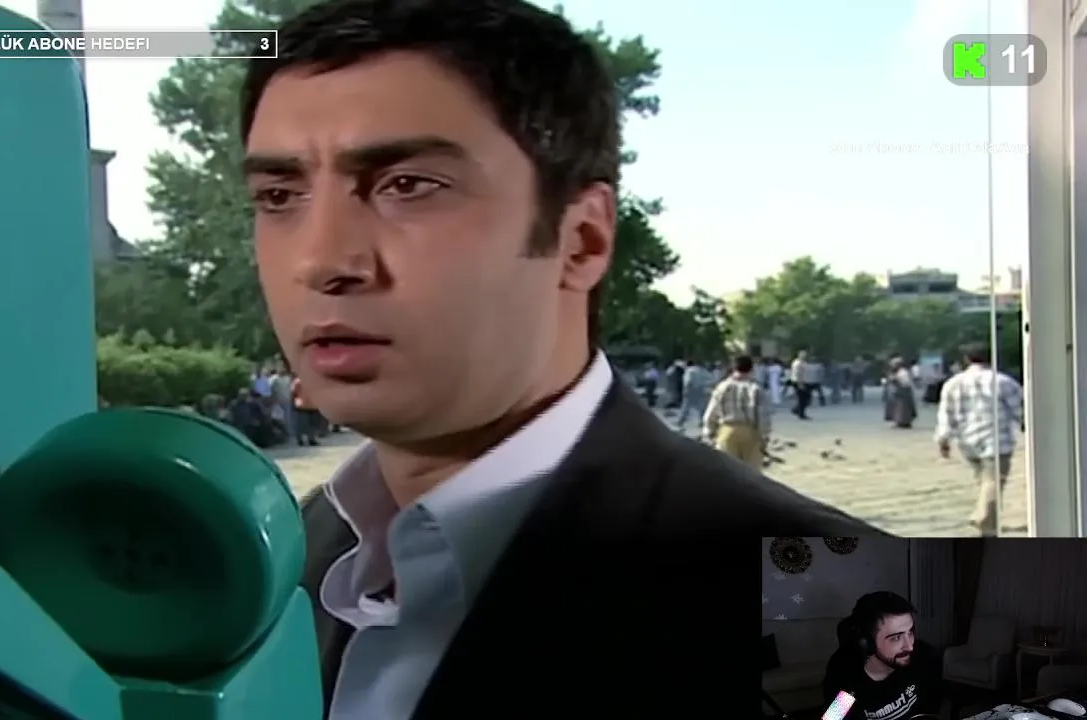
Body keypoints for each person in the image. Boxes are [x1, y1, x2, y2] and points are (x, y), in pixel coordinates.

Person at [241, 0, 881, 715]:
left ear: (581, 240)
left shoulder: (835, 609)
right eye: (279, 195)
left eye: (409, 186)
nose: (322, 260)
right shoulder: (279, 560)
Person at [935, 343, 1024, 535]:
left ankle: (990, 520)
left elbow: (946, 414)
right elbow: (1019, 408)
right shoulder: (1002, 382)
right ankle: (984, 518)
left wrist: (943, 439)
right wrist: (1026, 425)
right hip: (997, 439)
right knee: (994, 481)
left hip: (968, 441)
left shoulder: (953, 384)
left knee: (983, 480)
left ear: (966, 360)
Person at [823, 592, 943, 720]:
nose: (910, 646)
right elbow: (833, 717)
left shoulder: (926, 656)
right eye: (896, 638)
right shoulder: (845, 675)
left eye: (910, 632)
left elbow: (931, 708)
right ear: (867, 642)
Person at [702, 355, 771, 470]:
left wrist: (709, 432)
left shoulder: (722, 387)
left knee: (728, 471)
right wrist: (764, 438)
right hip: (750, 432)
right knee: (751, 473)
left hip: (727, 430)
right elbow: (763, 416)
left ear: (733, 368)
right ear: (751, 369)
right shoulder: (756, 388)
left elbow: (711, 412)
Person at [884, 358, 917, 429]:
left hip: (903, 391)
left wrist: (894, 379)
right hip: (899, 392)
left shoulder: (903, 372)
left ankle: (904, 422)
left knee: (903, 408)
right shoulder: (897, 372)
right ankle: (900, 422)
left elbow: (904, 382)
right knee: (898, 408)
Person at [292, 372, 322, 446]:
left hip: (302, 405)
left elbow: (293, 393)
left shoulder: (297, 381)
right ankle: (311, 439)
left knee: (301, 423)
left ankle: (300, 439)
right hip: (312, 405)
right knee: (311, 424)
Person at [789, 350, 813, 418]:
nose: (805, 356)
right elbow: (799, 374)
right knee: (803, 399)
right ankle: (801, 414)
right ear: (799, 355)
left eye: (805, 355)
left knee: (805, 398)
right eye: (803, 355)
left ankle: (796, 410)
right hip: (799, 381)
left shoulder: (802, 362)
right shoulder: (798, 363)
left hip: (804, 381)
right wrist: (800, 384)